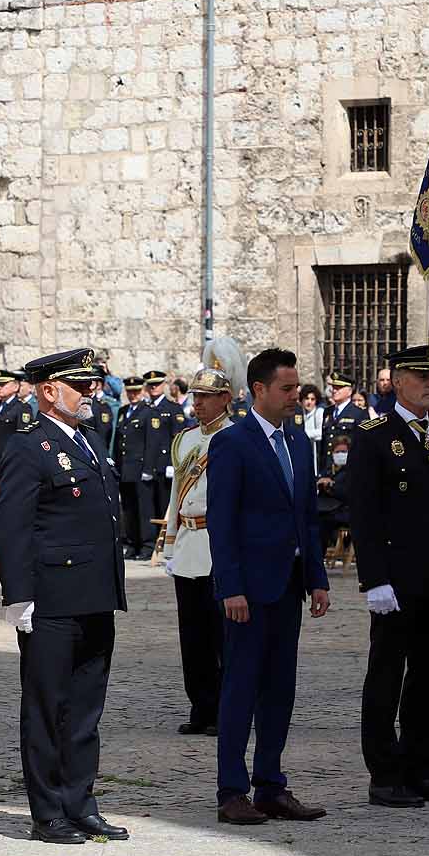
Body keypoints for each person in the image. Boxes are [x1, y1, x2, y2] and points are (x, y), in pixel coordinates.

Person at [0, 348, 129, 844]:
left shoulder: (91, 440)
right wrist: (19, 597)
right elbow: (14, 527)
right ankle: (47, 811)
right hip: (50, 599)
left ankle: (81, 802)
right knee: (48, 707)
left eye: (93, 384)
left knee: (86, 709)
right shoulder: (28, 447)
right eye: (82, 386)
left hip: (94, 593)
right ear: (50, 391)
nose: (92, 393)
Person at [206, 347, 332, 825]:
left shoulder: (299, 443)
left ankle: (271, 784)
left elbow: (307, 519)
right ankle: (231, 791)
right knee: (241, 687)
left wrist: (316, 578)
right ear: (258, 390)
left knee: (280, 689)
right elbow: (222, 521)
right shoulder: (233, 443)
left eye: (297, 388)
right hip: (249, 590)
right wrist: (230, 586)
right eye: (286, 389)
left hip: (288, 586)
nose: (295, 397)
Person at [345, 345, 429, 809]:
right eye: (420, 376)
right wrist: (373, 579)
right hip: (396, 581)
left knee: (428, 676)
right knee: (386, 676)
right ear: (397, 381)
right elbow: (365, 512)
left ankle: (419, 766)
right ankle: (384, 774)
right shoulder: (374, 435)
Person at [162, 368, 233, 737]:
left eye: (207, 396)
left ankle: (226, 708)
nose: (199, 403)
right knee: (192, 635)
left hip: (218, 543)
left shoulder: (235, 437)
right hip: (189, 543)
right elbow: (177, 496)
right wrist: (170, 544)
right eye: (196, 396)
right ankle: (201, 705)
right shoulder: (185, 440)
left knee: (221, 634)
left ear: (226, 398)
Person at [135, 370, 185, 561]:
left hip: (165, 468)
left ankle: (167, 544)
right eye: (150, 385)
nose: (153, 388)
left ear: (163, 385)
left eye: (157, 384)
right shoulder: (145, 408)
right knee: (147, 508)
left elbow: (178, 438)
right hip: (147, 468)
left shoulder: (172, 408)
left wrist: (173, 463)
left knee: (165, 507)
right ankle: (149, 545)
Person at [115, 375, 147, 557]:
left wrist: (149, 468)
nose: (133, 395)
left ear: (142, 391)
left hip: (140, 467)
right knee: (128, 509)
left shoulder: (147, 411)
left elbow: (150, 442)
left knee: (142, 508)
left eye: (136, 391)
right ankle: (133, 542)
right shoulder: (123, 411)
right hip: (124, 468)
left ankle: (146, 544)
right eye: (130, 392)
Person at [315, 434, 353, 554]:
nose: (340, 454)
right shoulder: (328, 469)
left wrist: (331, 486)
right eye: (338, 452)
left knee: (322, 522)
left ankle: (318, 555)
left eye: (344, 451)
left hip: (344, 509)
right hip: (326, 507)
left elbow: (347, 492)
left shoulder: (352, 470)